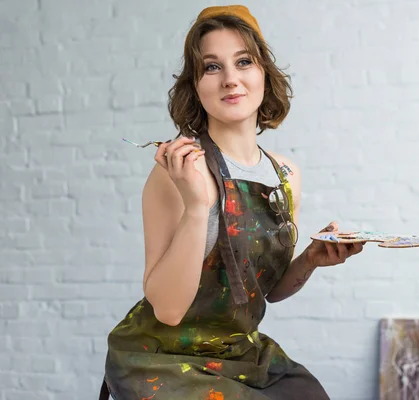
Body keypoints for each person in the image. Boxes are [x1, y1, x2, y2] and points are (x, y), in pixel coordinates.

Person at [100, 5, 365, 400]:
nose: (230, 79)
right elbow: (168, 311)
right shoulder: (176, 173)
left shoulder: (285, 175)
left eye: (244, 61)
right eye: (211, 67)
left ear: (263, 74)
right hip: (163, 359)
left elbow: (265, 292)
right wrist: (197, 206)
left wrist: (309, 260)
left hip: (240, 354)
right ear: (195, 85)